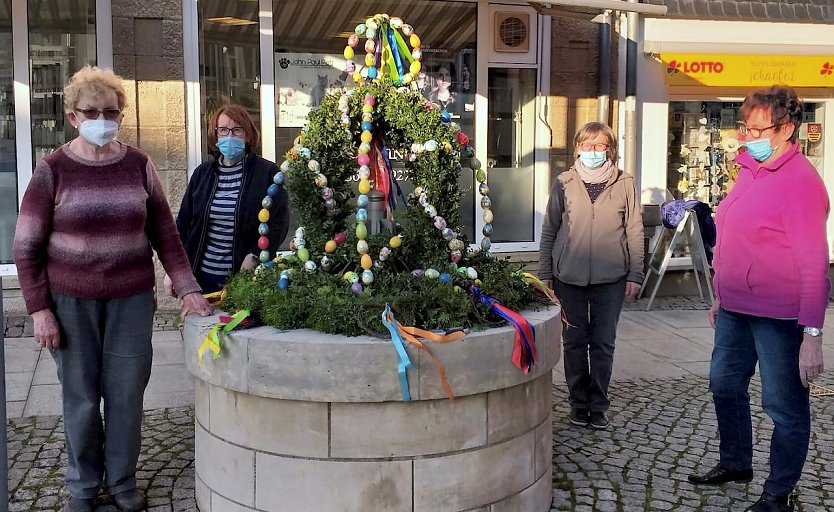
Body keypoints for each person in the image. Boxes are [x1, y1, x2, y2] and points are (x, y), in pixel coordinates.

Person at [12, 66, 213, 512]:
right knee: (80, 397)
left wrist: (188, 289)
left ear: (121, 114)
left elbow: (165, 233)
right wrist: (39, 310)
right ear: (72, 116)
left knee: (125, 394)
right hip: (70, 302)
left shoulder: (139, 165)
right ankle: (83, 486)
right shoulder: (53, 169)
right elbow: (25, 247)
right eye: (91, 111)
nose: (101, 118)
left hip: (131, 300)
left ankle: (122, 482)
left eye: (110, 111)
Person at [688, 86, 829, 512]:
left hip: (779, 316)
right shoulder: (748, 169)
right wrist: (720, 293)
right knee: (724, 385)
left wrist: (813, 334)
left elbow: (813, 265)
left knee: (783, 406)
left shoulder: (802, 183)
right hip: (734, 308)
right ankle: (736, 463)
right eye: (743, 127)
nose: (746, 136)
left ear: (786, 129)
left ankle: (778, 493)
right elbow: (733, 235)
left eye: (756, 129)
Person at [538, 121, 644, 430]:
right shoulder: (564, 182)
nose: (592, 151)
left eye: (599, 146)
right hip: (568, 276)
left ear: (610, 149)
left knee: (602, 343)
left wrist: (635, 273)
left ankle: (599, 404)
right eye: (586, 145)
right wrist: (545, 272)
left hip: (611, 278)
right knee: (573, 341)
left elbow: (635, 231)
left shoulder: (625, 182)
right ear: (577, 148)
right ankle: (578, 403)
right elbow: (550, 229)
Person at [167, 104, 289, 295]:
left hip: (245, 280)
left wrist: (255, 255)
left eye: (237, 130)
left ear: (247, 134)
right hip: (201, 281)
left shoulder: (267, 173)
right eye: (223, 130)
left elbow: (278, 223)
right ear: (215, 135)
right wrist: (175, 271)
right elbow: (182, 225)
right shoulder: (202, 174)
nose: (230, 136)